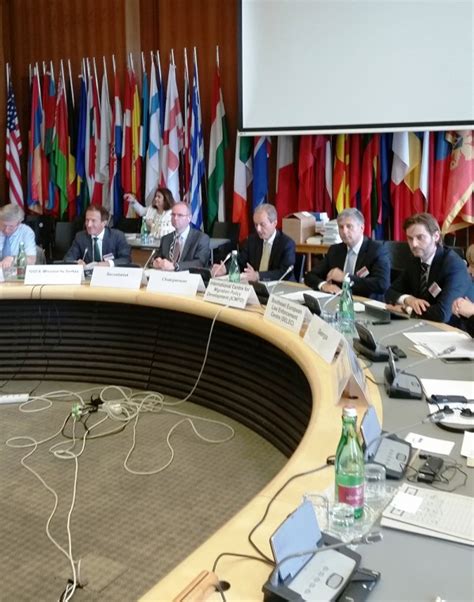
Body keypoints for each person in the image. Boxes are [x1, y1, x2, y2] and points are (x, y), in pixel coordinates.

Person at [385, 212, 473, 323]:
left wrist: (407, 310)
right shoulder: (415, 261)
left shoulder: (453, 264)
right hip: (425, 324)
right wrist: (408, 299)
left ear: (436, 236)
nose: (414, 244)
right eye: (410, 238)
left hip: (454, 328)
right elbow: (390, 292)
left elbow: (442, 314)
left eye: (420, 237)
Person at [304, 208, 390, 298]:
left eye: (349, 226)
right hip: (338, 301)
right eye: (341, 227)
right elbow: (310, 276)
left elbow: (382, 284)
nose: (344, 231)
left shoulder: (377, 250)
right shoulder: (335, 250)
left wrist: (346, 278)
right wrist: (323, 285)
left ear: (361, 228)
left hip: (365, 301)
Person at [211, 203, 295, 282]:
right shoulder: (252, 240)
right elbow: (241, 262)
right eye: (256, 225)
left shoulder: (286, 244)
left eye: (262, 224)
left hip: (280, 287)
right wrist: (226, 269)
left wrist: (258, 275)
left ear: (274, 223)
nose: (258, 229)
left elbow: (284, 273)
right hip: (256, 286)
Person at [64, 204, 131, 266]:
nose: (89, 225)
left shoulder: (117, 236)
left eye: (93, 221)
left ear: (104, 223)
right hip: (88, 274)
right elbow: (68, 258)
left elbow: (126, 259)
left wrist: (108, 264)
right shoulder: (80, 237)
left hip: (110, 273)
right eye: (87, 220)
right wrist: (76, 262)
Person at [152, 202, 210, 271]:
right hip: (165, 275)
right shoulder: (166, 239)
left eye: (180, 215)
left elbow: (200, 263)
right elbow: (157, 258)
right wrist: (156, 262)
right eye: (173, 215)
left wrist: (175, 266)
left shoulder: (201, 238)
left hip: (188, 276)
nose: (175, 218)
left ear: (189, 218)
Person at [0, 203, 37, 269]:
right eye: (3, 225)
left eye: (11, 227)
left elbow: (31, 260)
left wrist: (13, 259)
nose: (6, 230)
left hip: (18, 271)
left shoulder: (26, 232)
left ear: (19, 223)